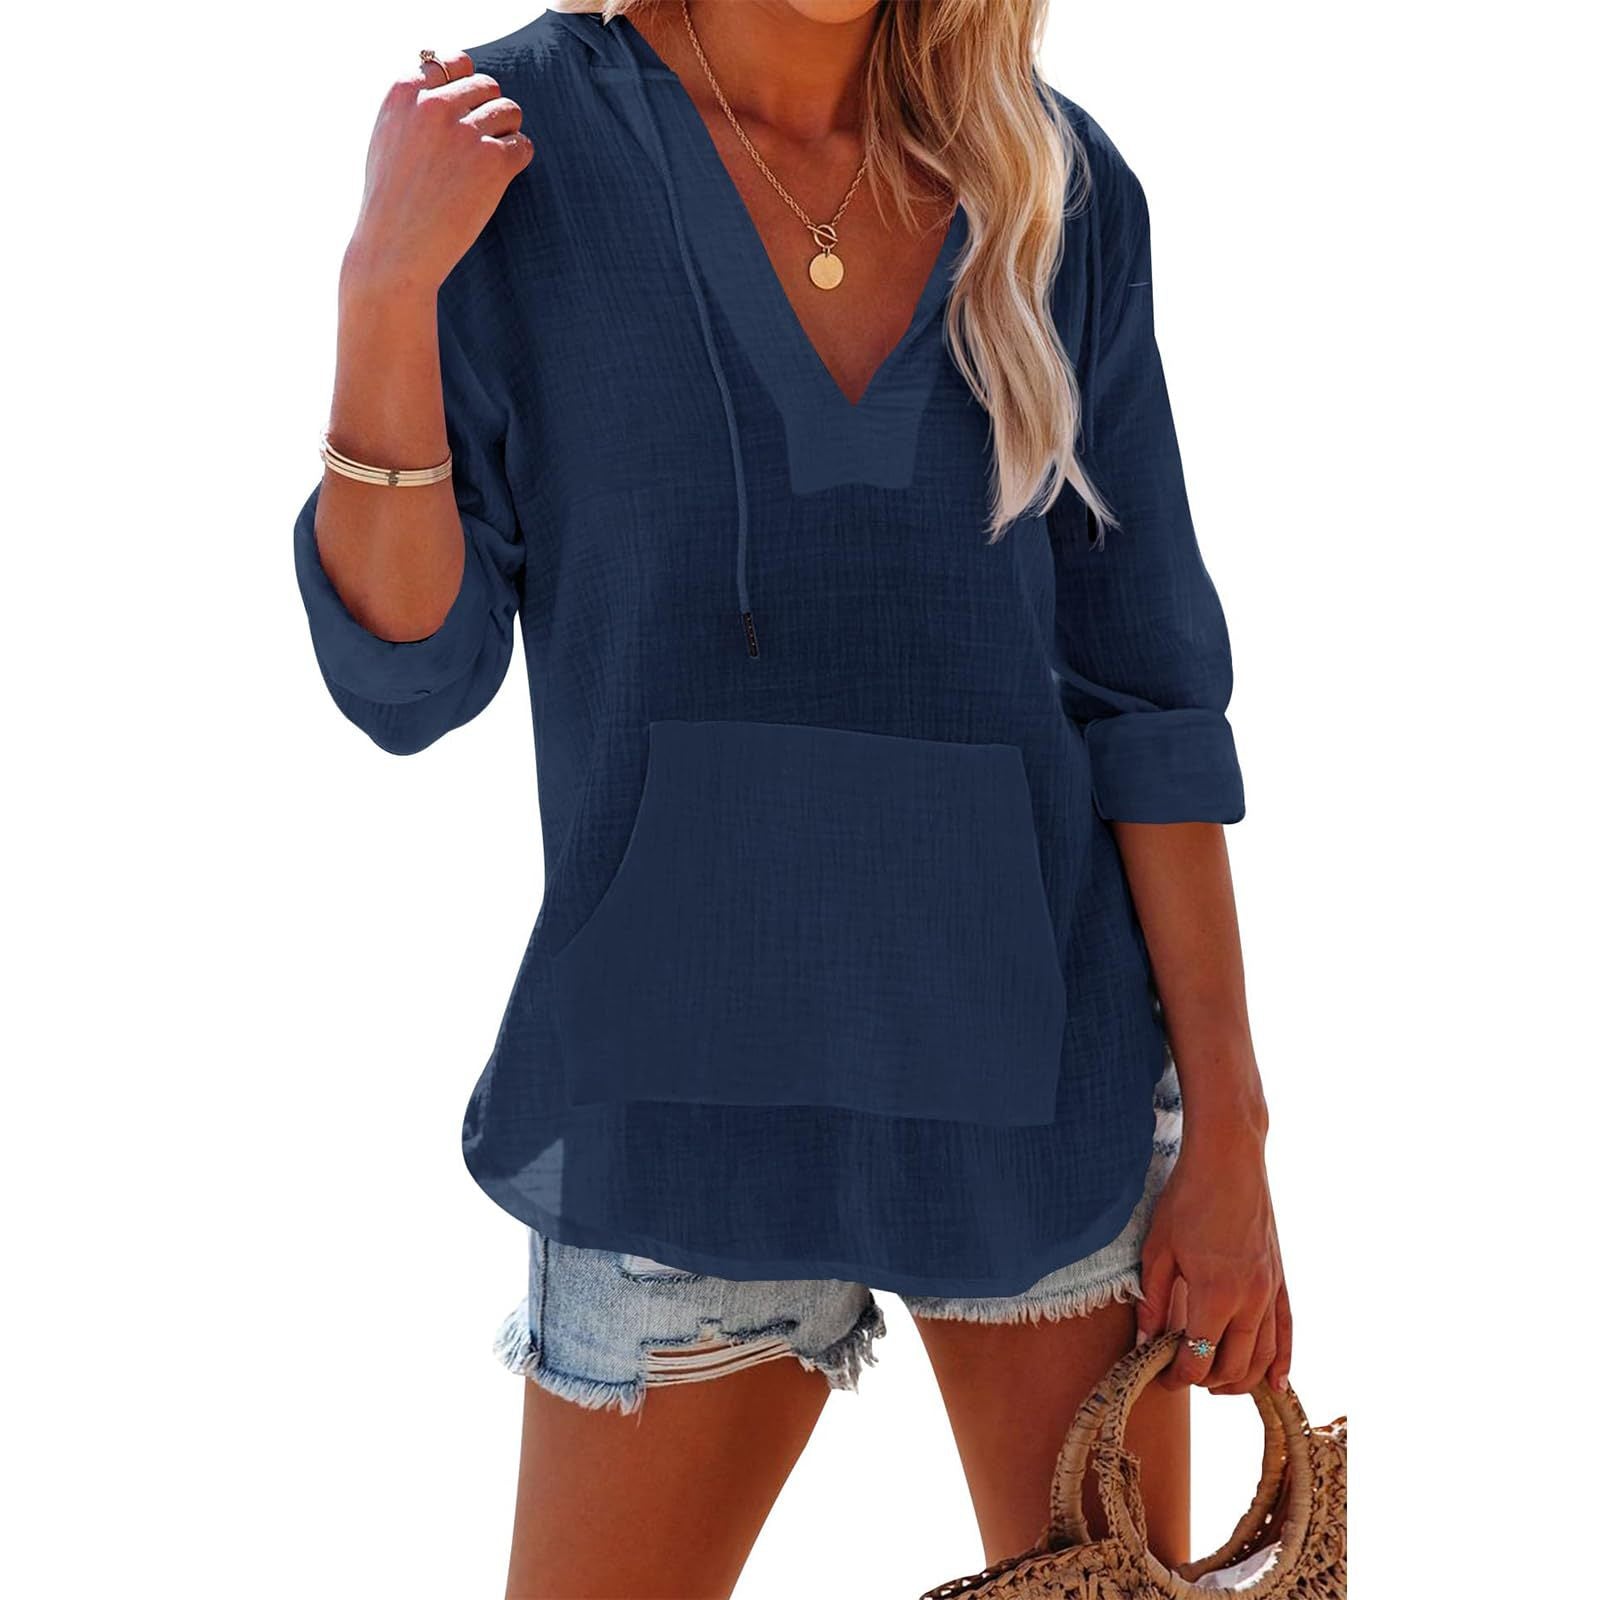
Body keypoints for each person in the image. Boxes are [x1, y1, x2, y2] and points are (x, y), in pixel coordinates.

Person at [291, 3, 1290, 1595]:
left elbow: (1150, 700)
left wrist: (1231, 1131)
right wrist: (383, 286)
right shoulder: (508, 147)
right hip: (672, 1114)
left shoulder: (1051, 182)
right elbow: (408, 678)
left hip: (1042, 1107)